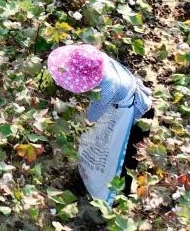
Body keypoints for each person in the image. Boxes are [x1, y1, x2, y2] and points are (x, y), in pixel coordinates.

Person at [46, 43, 154, 201]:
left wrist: (74, 128)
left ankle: (117, 198)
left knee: (125, 158)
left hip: (138, 115)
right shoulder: (97, 61)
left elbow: (90, 119)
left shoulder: (108, 87)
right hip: (126, 100)